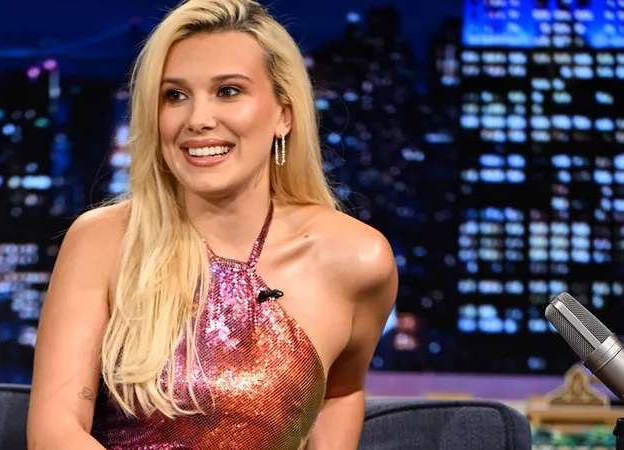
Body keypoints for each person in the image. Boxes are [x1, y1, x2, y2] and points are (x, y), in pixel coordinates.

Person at [27, 0, 398, 448]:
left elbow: (340, 393)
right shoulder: (103, 241)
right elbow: (56, 430)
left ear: (284, 114)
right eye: (174, 96)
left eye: (228, 91)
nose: (198, 120)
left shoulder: (358, 259)